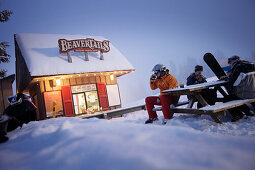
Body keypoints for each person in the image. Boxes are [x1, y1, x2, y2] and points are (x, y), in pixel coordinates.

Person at [224, 55, 255, 121]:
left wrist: (229, 77)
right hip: (254, 92)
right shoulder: (251, 64)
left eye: (229, 62)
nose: (229, 64)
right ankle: (249, 111)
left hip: (244, 94)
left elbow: (233, 83)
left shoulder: (238, 67)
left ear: (233, 61)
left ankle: (239, 115)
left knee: (227, 98)